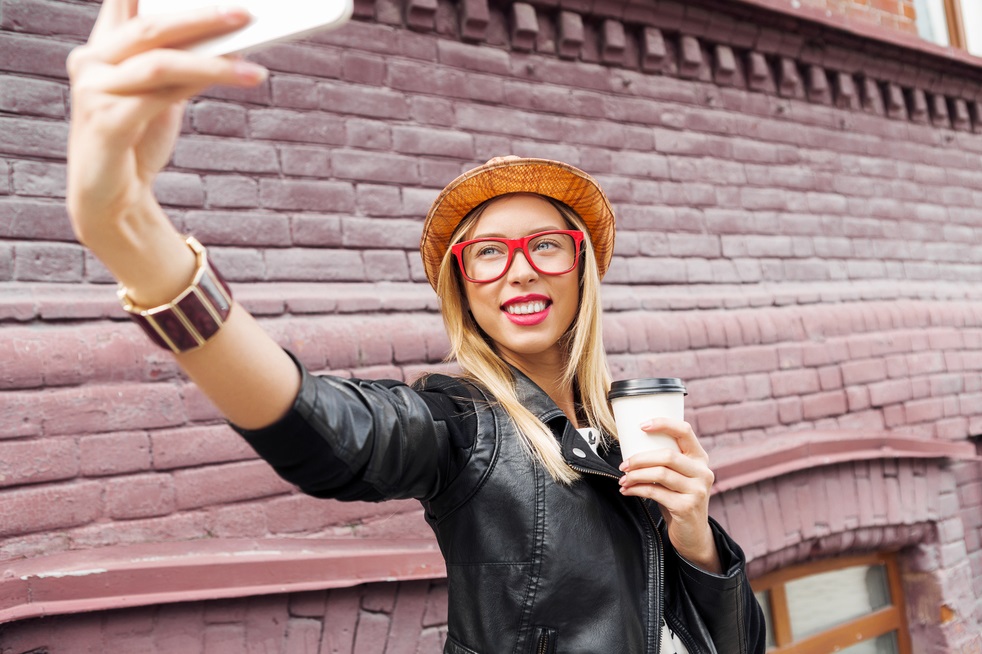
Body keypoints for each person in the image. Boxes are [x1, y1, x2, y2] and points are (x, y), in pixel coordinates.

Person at [65, 2, 766, 652]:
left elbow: (741, 646)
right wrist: (128, 232)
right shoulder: (461, 425)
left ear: (582, 266)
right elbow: (323, 427)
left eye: (544, 245)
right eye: (487, 254)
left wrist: (694, 534)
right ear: (464, 287)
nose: (518, 271)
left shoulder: (627, 426)